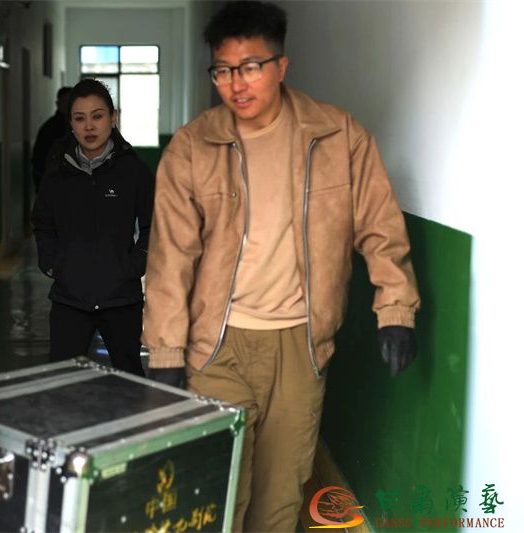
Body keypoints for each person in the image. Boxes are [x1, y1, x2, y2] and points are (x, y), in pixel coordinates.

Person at [142, 1, 421, 531]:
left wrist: (396, 310)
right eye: (222, 70)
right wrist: (165, 351)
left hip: (300, 346)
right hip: (216, 346)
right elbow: (170, 257)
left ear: (281, 65)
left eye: (250, 67)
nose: (235, 84)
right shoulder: (193, 147)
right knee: (218, 496)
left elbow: (380, 227)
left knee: (279, 502)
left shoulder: (338, 137)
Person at [32, 78, 154, 377]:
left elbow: (155, 226)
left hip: (121, 298)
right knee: (62, 383)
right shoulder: (57, 174)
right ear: (71, 124)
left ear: (113, 118)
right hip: (69, 299)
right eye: (79, 118)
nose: (89, 126)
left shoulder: (134, 171)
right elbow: (42, 223)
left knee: (130, 382)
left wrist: (134, 265)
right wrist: (53, 264)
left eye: (97, 116)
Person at [31, 86, 71, 192]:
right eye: (64, 101)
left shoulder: (80, 126)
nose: (67, 105)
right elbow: (39, 159)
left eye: (70, 101)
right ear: (58, 104)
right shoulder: (49, 128)